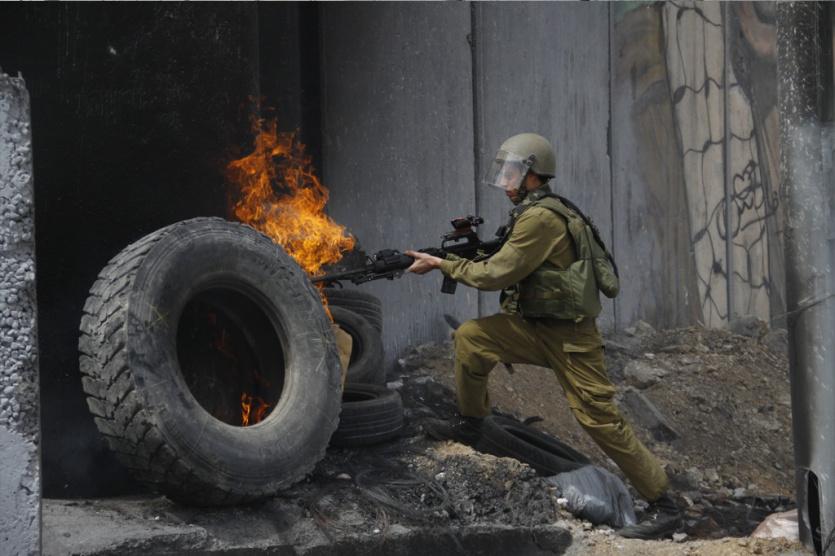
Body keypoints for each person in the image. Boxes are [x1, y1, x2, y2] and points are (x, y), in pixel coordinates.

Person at [405, 133, 681, 540]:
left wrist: (443, 265)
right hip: (534, 327)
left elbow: (497, 274)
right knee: (472, 337)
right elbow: (503, 259)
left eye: (512, 172)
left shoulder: (541, 219)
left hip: (571, 338)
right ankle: (471, 423)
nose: (505, 180)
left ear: (533, 174)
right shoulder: (530, 212)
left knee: (600, 420)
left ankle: (665, 505)